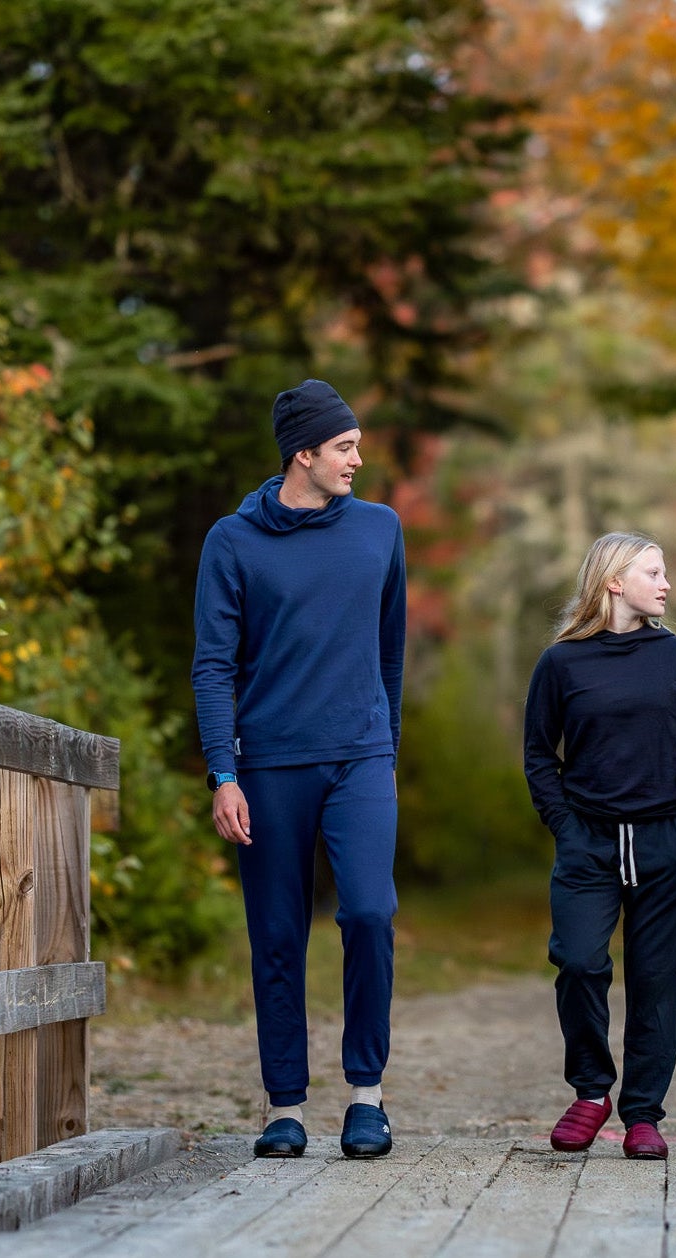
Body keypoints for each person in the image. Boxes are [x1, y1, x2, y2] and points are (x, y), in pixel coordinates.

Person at [191, 378, 407, 1161]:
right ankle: (284, 1106)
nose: (358, 458)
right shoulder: (233, 542)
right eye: (344, 447)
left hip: (360, 757)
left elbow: (391, 650)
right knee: (277, 933)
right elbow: (213, 666)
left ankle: (366, 1097)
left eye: (355, 444)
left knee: (368, 914)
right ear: (303, 453)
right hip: (269, 765)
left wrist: (385, 740)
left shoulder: (379, 530)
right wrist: (223, 773)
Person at [523, 532, 676, 1161]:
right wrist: (565, 825)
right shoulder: (561, 663)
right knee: (580, 961)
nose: (666, 584)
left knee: (657, 979)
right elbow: (537, 753)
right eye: (654, 572)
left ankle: (642, 1113)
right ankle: (590, 1092)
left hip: (664, 842)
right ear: (614, 581)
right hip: (587, 845)